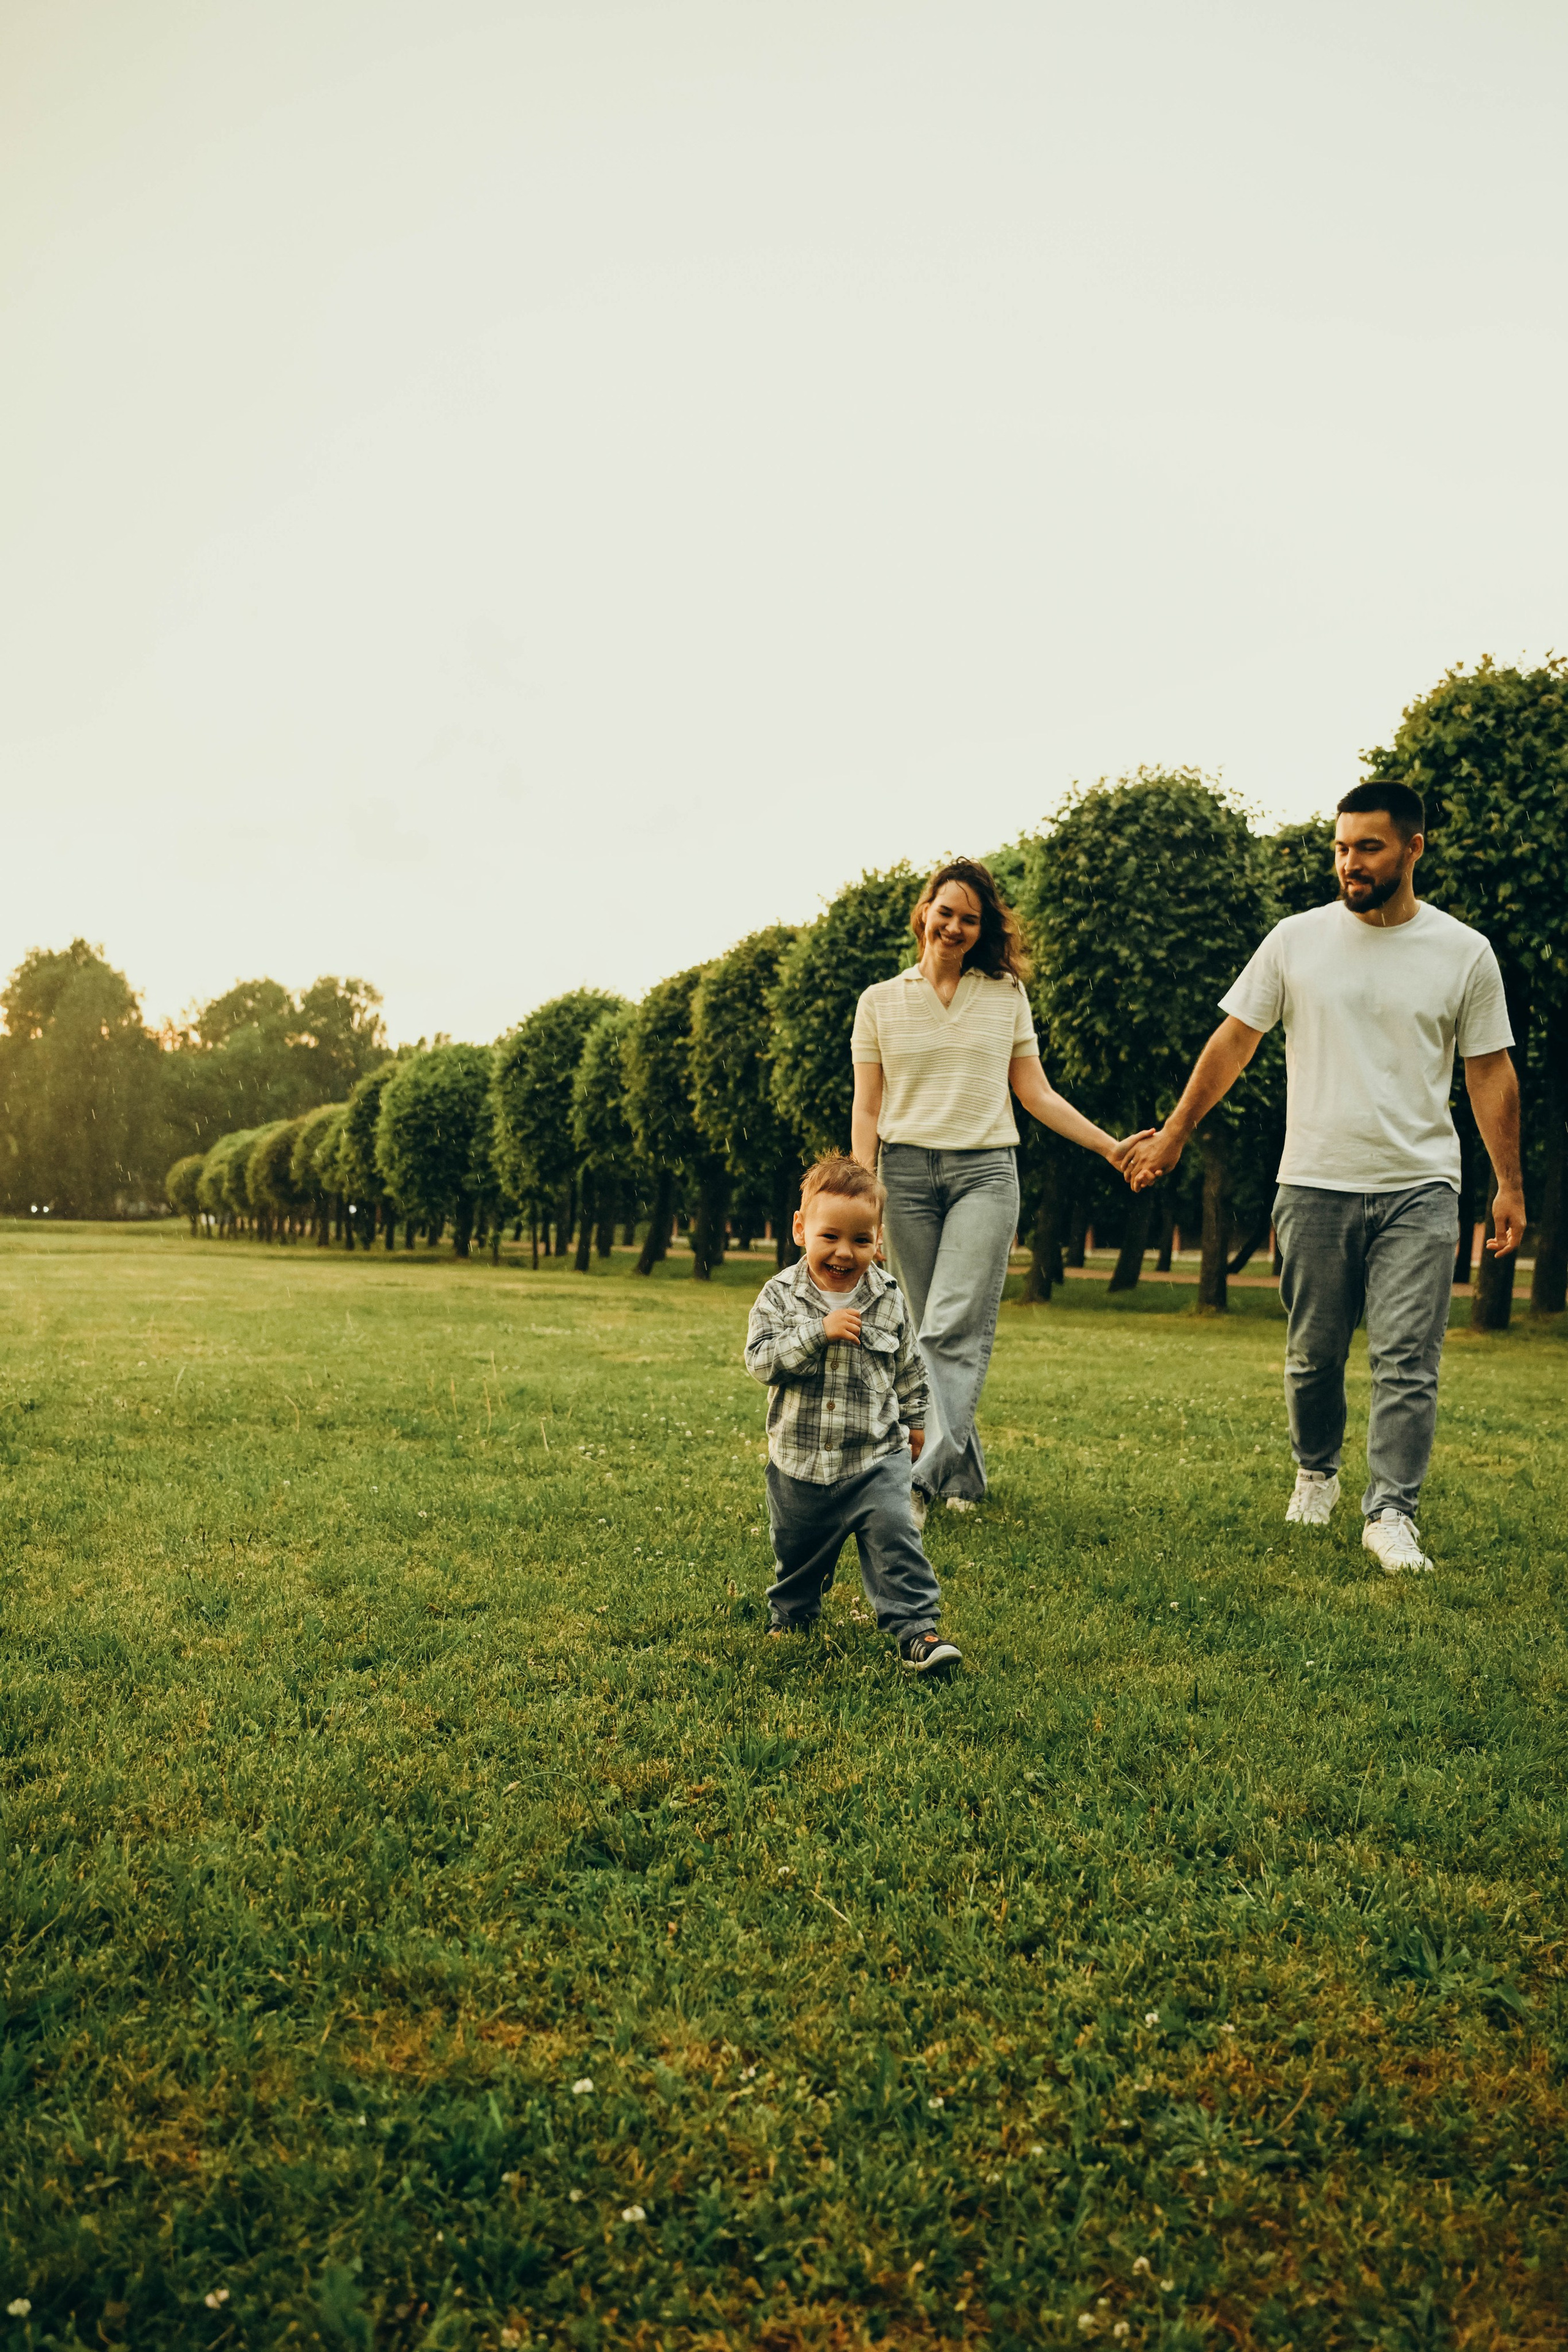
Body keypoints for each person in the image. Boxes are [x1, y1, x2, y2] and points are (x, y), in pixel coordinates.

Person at [1123, 782, 1523, 1574]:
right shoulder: (1294, 941)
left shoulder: (1463, 952)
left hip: (1421, 1184)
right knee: (1313, 1355)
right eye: (1342, 848)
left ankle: (1392, 1513)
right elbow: (1234, 1042)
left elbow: (1489, 1072)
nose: (1349, 863)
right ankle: (1317, 1470)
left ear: (1413, 848)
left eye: (1368, 847)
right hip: (1313, 1181)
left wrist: (1507, 1182)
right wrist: (1172, 1134)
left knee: (1409, 1359)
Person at [850, 858, 1144, 1520]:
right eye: (945, 912)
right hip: (904, 1175)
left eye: (969, 919)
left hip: (984, 1172)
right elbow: (867, 1108)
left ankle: (917, 1482)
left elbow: (1033, 1092)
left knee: (950, 1327)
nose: (953, 927)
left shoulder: (1004, 996)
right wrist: (863, 1191)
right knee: (924, 1332)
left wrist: (1108, 1145)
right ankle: (963, 1479)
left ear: (983, 930)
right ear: (924, 911)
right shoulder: (879, 1001)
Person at [744, 1155, 962, 1676]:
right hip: (799, 1459)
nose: (845, 1252)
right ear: (802, 1229)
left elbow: (910, 1368)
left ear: (878, 1241)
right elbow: (760, 1361)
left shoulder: (888, 1300)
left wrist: (914, 1425)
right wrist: (817, 1333)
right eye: (831, 1237)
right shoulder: (779, 1296)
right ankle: (792, 1615)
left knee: (897, 1536)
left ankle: (917, 1631)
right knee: (799, 1552)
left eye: (861, 1241)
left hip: (874, 1457)